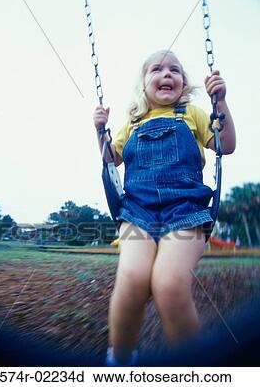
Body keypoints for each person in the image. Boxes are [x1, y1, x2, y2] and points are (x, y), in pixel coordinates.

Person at [93, 49, 236, 367]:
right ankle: (119, 361)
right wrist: (100, 131)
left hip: (186, 211)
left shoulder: (193, 114)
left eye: (175, 70)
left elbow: (225, 146)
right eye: (156, 69)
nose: (166, 74)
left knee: (168, 283)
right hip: (137, 212)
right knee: (132, 277)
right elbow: (110, 158)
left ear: (184, 83)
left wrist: (220, 103)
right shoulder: (132, 121)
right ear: (143, 84)